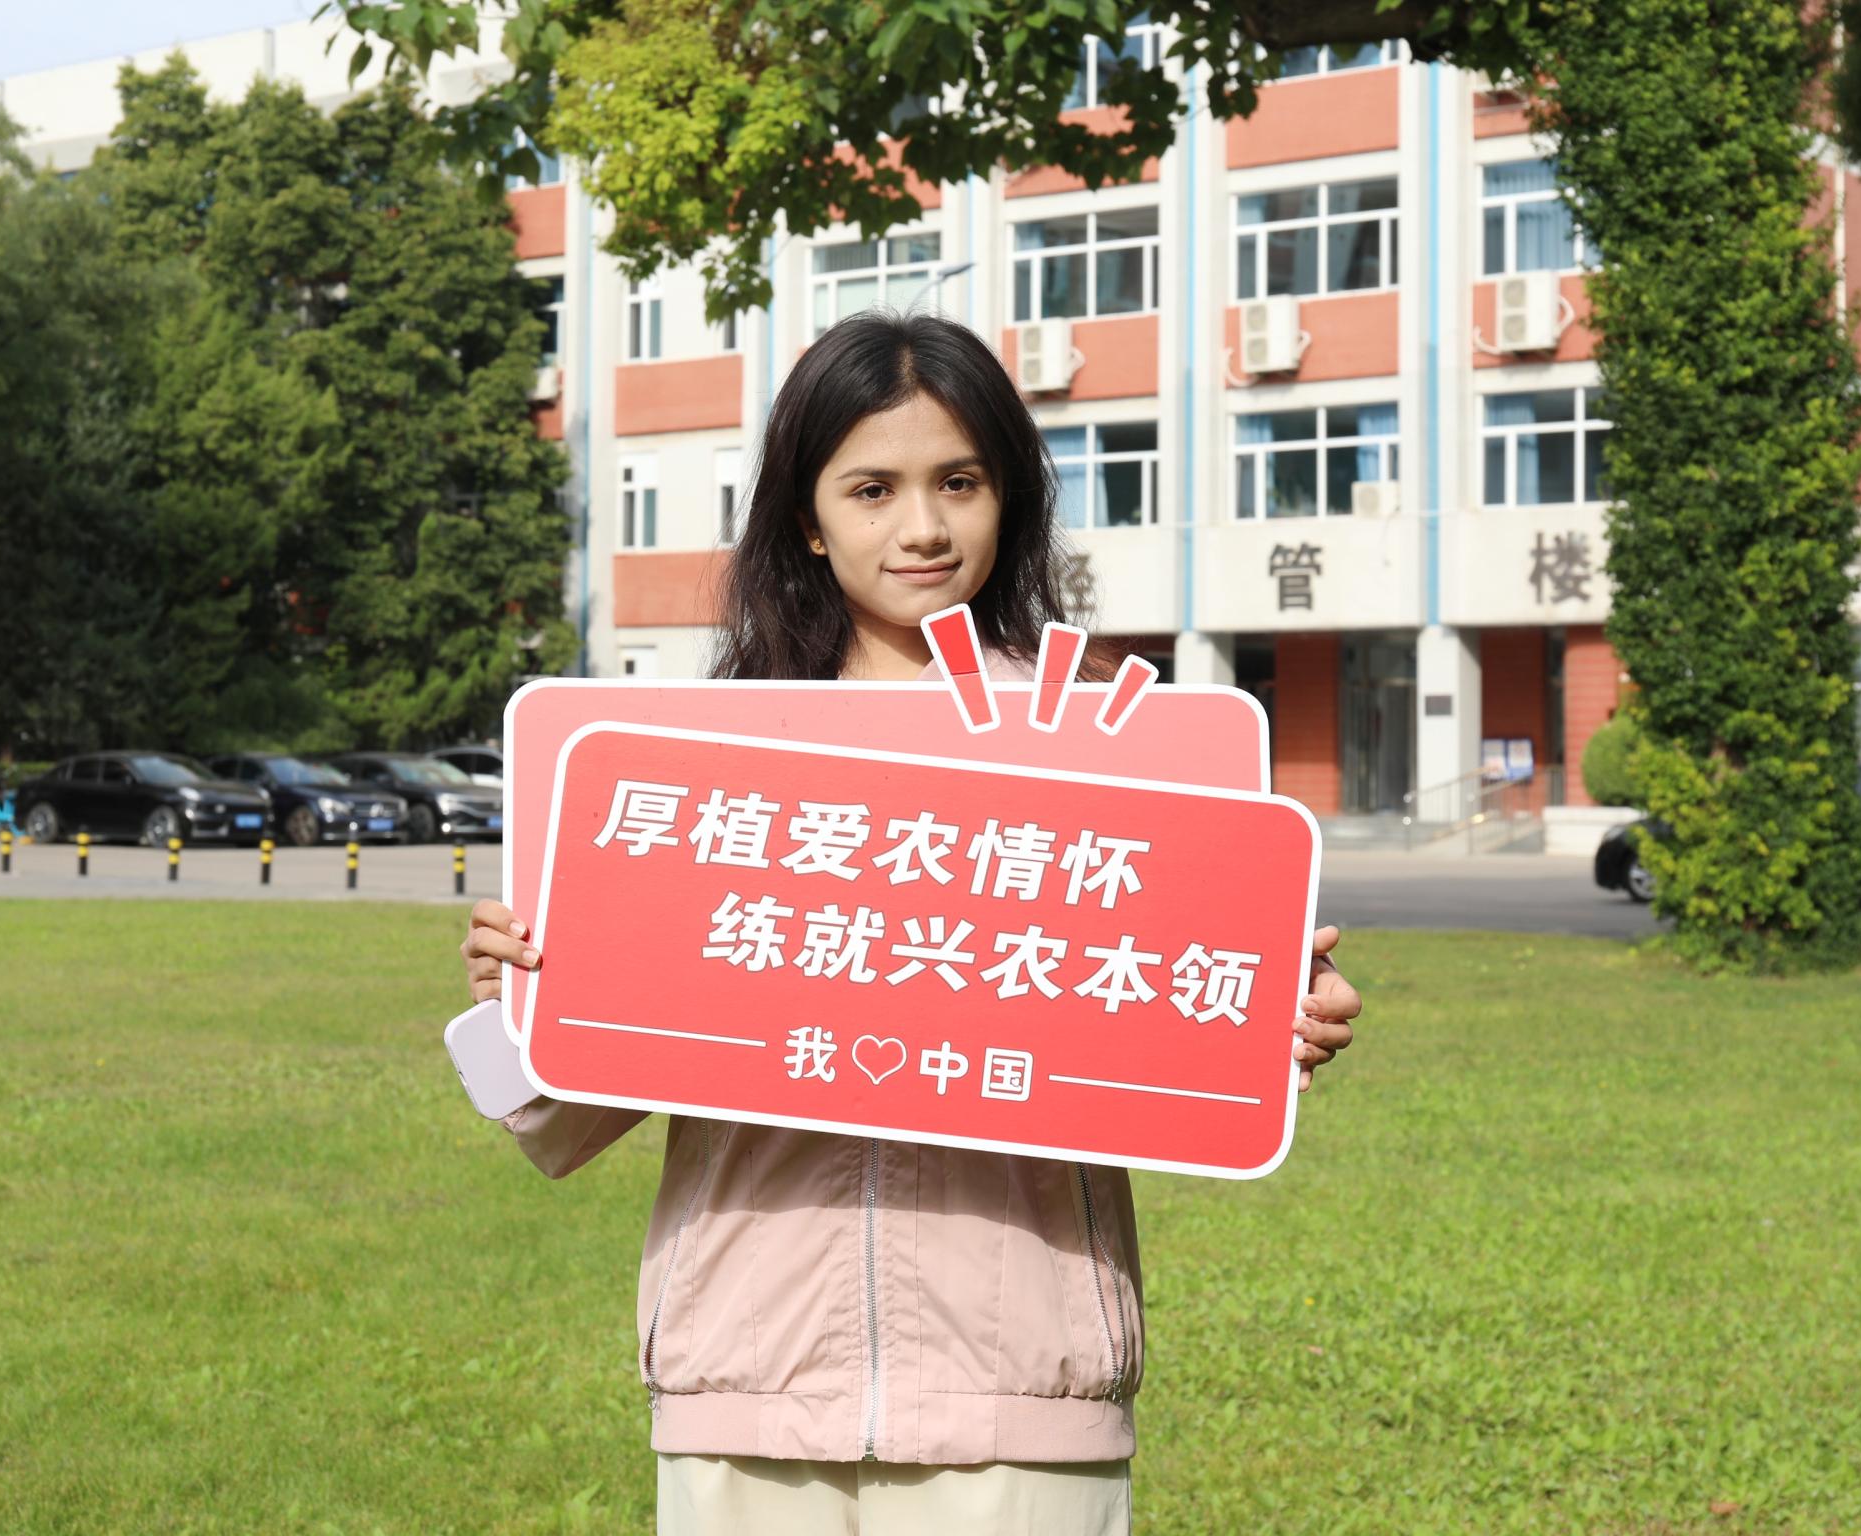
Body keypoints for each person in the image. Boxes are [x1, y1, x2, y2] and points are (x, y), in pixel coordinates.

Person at [459, 311, 1361, 1534]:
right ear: (806, 518)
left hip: (1019, 1395)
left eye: (959, 483)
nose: (923, 528)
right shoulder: (696, 768)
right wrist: (523, 995)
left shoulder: (1108, 751)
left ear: (1008, 499)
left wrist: (1270, 1016)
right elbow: (561, 1116)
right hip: (748, 1388)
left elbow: (1178, 1050)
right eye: (872, 489)